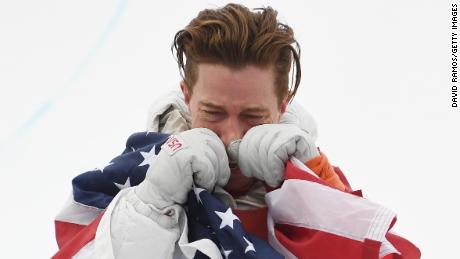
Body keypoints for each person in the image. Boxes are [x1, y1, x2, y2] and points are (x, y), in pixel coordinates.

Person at [53, 3, 420, 259]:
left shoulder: (313, 185)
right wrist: (151, 205)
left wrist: (315, 182)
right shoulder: (139, 178)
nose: (231, 136)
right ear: (186, 95)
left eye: (253, 117)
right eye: (212, 113)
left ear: (284, 104)